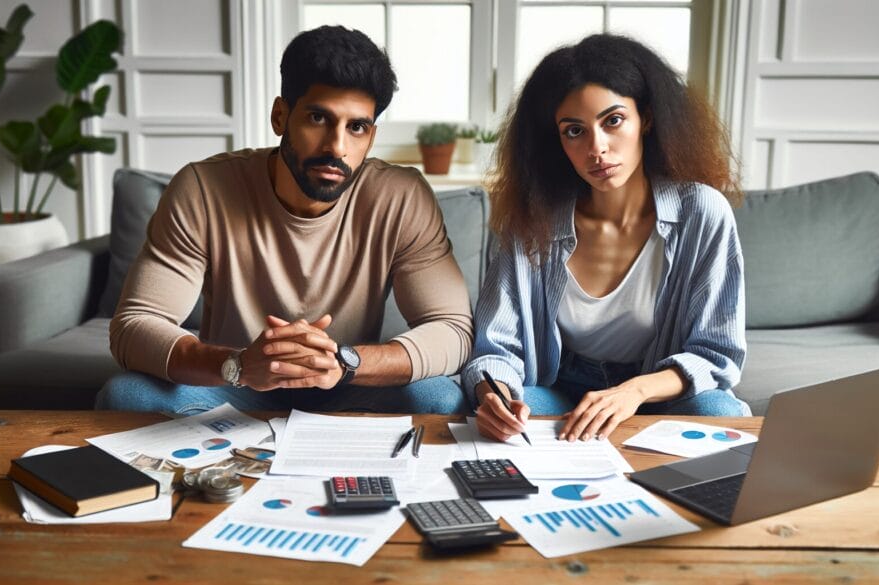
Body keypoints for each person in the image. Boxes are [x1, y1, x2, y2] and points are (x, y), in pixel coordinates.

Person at [96, 26, 473, 415]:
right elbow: (135, 325)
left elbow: (453, 330)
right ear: (281, 116)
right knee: (126, 395)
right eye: (317, 118)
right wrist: (240, 365)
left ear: (371, 136)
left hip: (348, 388)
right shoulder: (203, 188)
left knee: (439, 398)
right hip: (236, 388)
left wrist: (345, 362)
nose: (336, 147)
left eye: (356, 127)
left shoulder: (402, 196)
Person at [462, 33, 750, 444]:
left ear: (646, 119)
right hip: (558, 393)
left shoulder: (701, 211)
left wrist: (633, 391)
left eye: (613, 121)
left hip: (657, 393)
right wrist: (495, 395)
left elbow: (715, 356)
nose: (596, 148)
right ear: (556, 140)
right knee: (437, 397)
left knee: (717, 409)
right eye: (574, 131)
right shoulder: (533, 219)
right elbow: (495, 347)